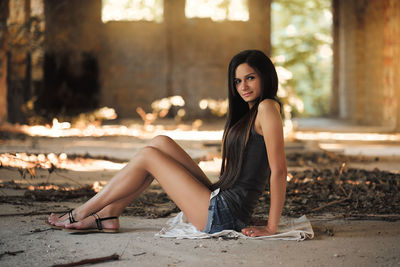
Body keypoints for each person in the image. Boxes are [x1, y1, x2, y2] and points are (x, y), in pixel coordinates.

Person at [47, 49, 287, 237]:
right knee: (160, 142)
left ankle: (83, 211)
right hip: (221, 197)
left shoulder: (267, 107)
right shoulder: (250, 113)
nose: (243, 86)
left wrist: (271, 226)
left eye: (250, 78)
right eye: (237, 81)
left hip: (224, 214)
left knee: (148, 157)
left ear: (265, 76)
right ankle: (109, 214)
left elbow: (278, 170)